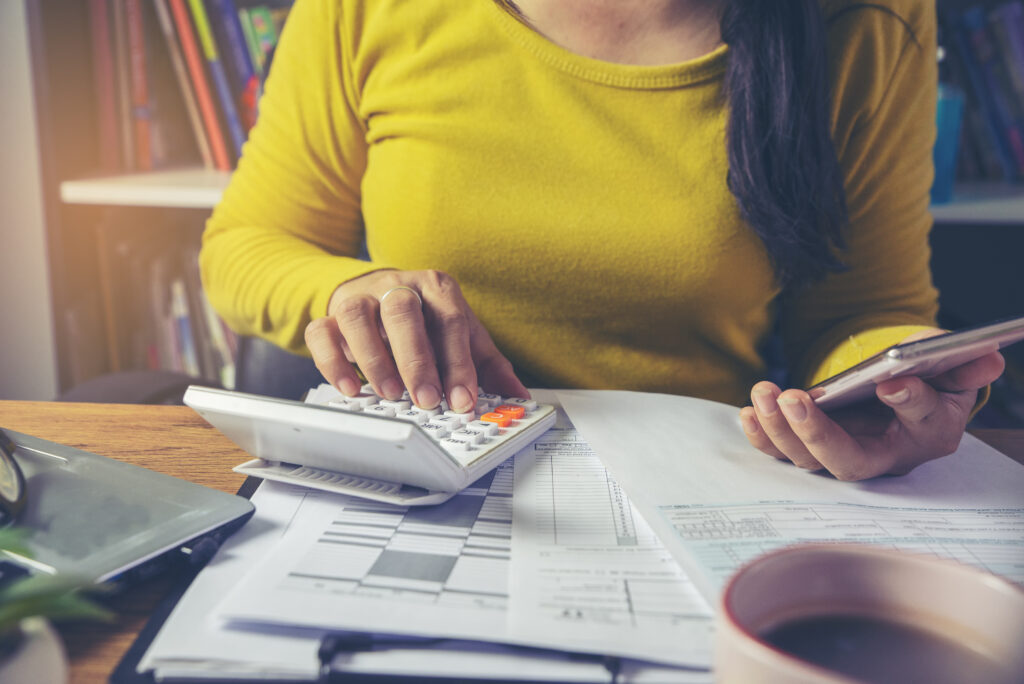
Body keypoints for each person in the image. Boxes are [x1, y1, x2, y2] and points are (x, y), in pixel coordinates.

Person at [200, 0, 1005, 481]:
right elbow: (248, 242)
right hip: (428, 469)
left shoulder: (864, 20)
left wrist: (898, 386)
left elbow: (864, 308)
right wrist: (348, 292)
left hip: (703, 483)